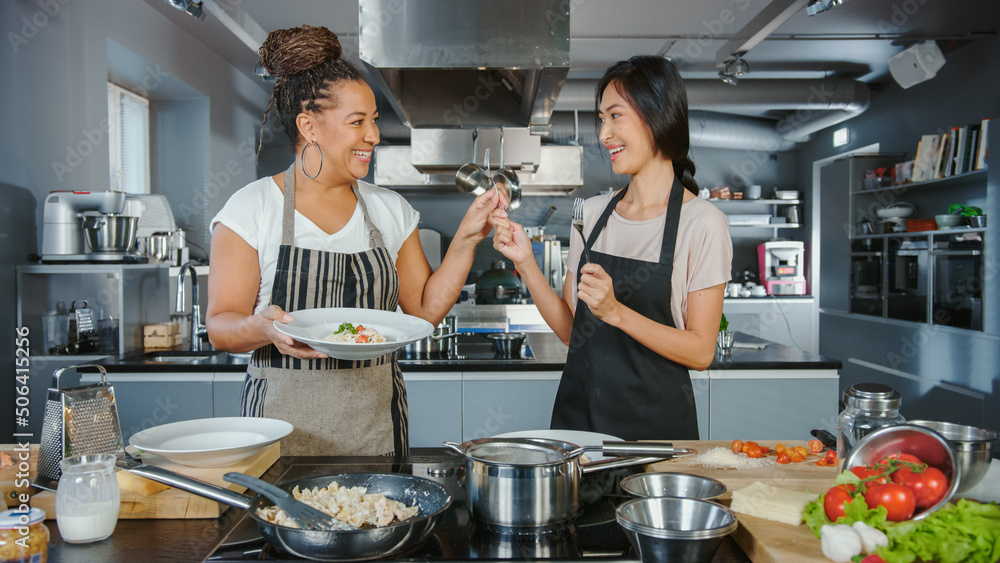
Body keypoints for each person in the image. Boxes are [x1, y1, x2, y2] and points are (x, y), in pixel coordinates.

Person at [206, 25, 500, 456]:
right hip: (277, 434)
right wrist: (260, 326)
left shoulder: (390, 209)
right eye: (357, 122)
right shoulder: (251, 208)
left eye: (375, 121)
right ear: (309, 126)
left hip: (375, 429)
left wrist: (467, 239)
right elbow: (220, 326)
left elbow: (424, 311)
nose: (374, 137)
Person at [491, 55, 732, 440]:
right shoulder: (591, 214)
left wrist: (616, 312)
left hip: (656, 435)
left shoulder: (702, 222)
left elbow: (702, 351)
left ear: (658, 115)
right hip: (580, 427)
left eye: (615, 116)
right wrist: (527, 265)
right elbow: (572, 331)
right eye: (602, 119)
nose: (604, 135)